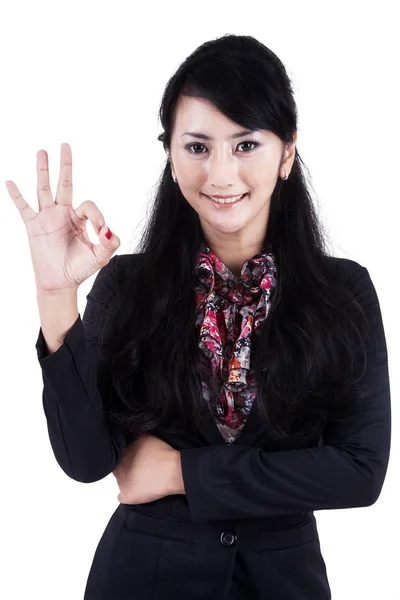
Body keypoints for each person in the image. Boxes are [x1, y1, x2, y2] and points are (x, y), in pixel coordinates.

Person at [7, 34, 391, 600]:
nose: (219, 174)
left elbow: (360, 471)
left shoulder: (344, 290)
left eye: (245, 145)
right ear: (170, 154)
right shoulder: (129, 285)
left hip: (283, 585)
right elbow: (87, 461)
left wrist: (182, 473)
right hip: (141, 580)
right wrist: (53, 293)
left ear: (286, 153)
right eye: (197, 147)